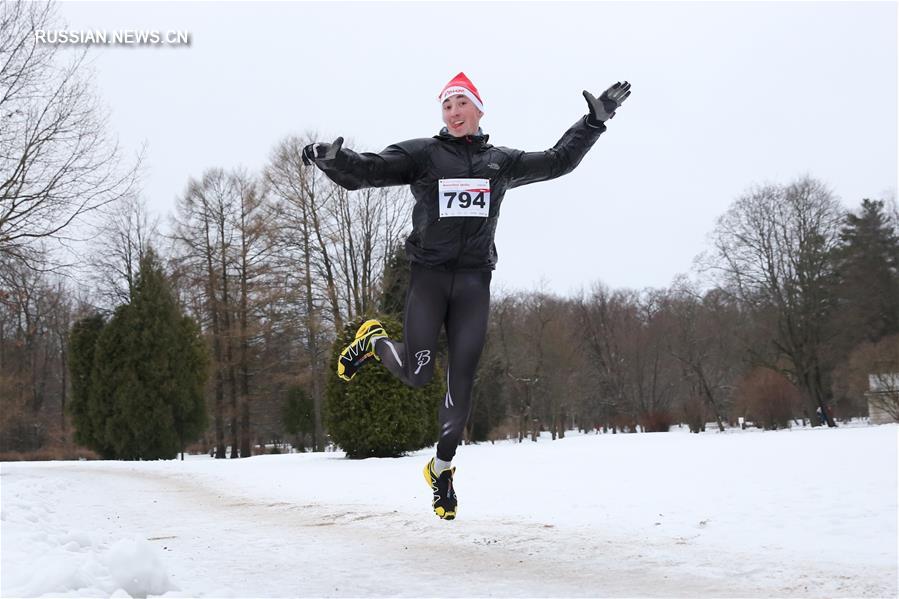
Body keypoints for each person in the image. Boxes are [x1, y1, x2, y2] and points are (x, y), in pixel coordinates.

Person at [303, 72, 631, 520]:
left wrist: (594, 122)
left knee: (461, 381)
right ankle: (375, 341)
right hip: (430, 278)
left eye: (462, 104)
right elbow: (371, 171)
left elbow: (557, 161)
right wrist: (334, 162)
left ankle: (441, 470)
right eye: (447, 106)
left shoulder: (501, 162)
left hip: (475, 282)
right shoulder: (424, 155)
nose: (454, 112)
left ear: (479, 110)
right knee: (419, 375)